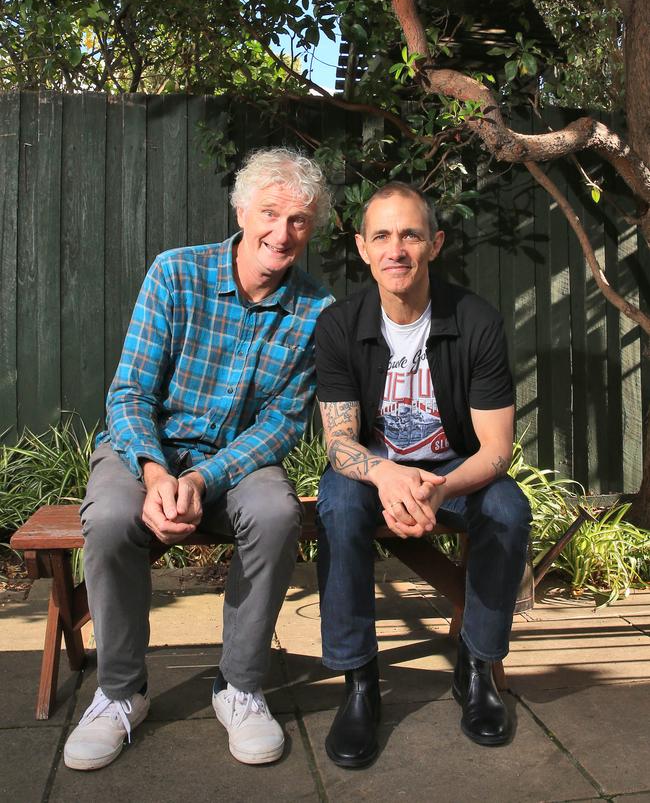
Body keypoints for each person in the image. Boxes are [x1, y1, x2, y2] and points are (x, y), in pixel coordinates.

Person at [63, 148, 332, 770]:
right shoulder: (175, 273)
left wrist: (204, 477)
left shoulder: (316, 308)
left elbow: (284, 422)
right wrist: (157, 473)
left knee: (274, 513)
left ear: (311, 228)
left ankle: (239, 686)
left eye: (298, 220)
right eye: (269, 212)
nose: (282, 232)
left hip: (237, 458)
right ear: (241, 211)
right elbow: (130, 393)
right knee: (107, 521)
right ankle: (119, 693)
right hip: (148, 448)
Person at [314, 182, 531, 768]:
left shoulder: (476, 321)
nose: (396, 249)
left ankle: (477, 665)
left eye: (410, 234)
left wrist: (439, 487)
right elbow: (339, 442)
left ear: (434, 243)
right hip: (372, 470)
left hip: (451, 468)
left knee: (508, 510)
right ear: (362, 248)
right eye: (381, 235)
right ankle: (359, 683)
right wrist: (386, 475)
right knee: (336, 506)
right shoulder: (338, 326)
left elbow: (495, 450)